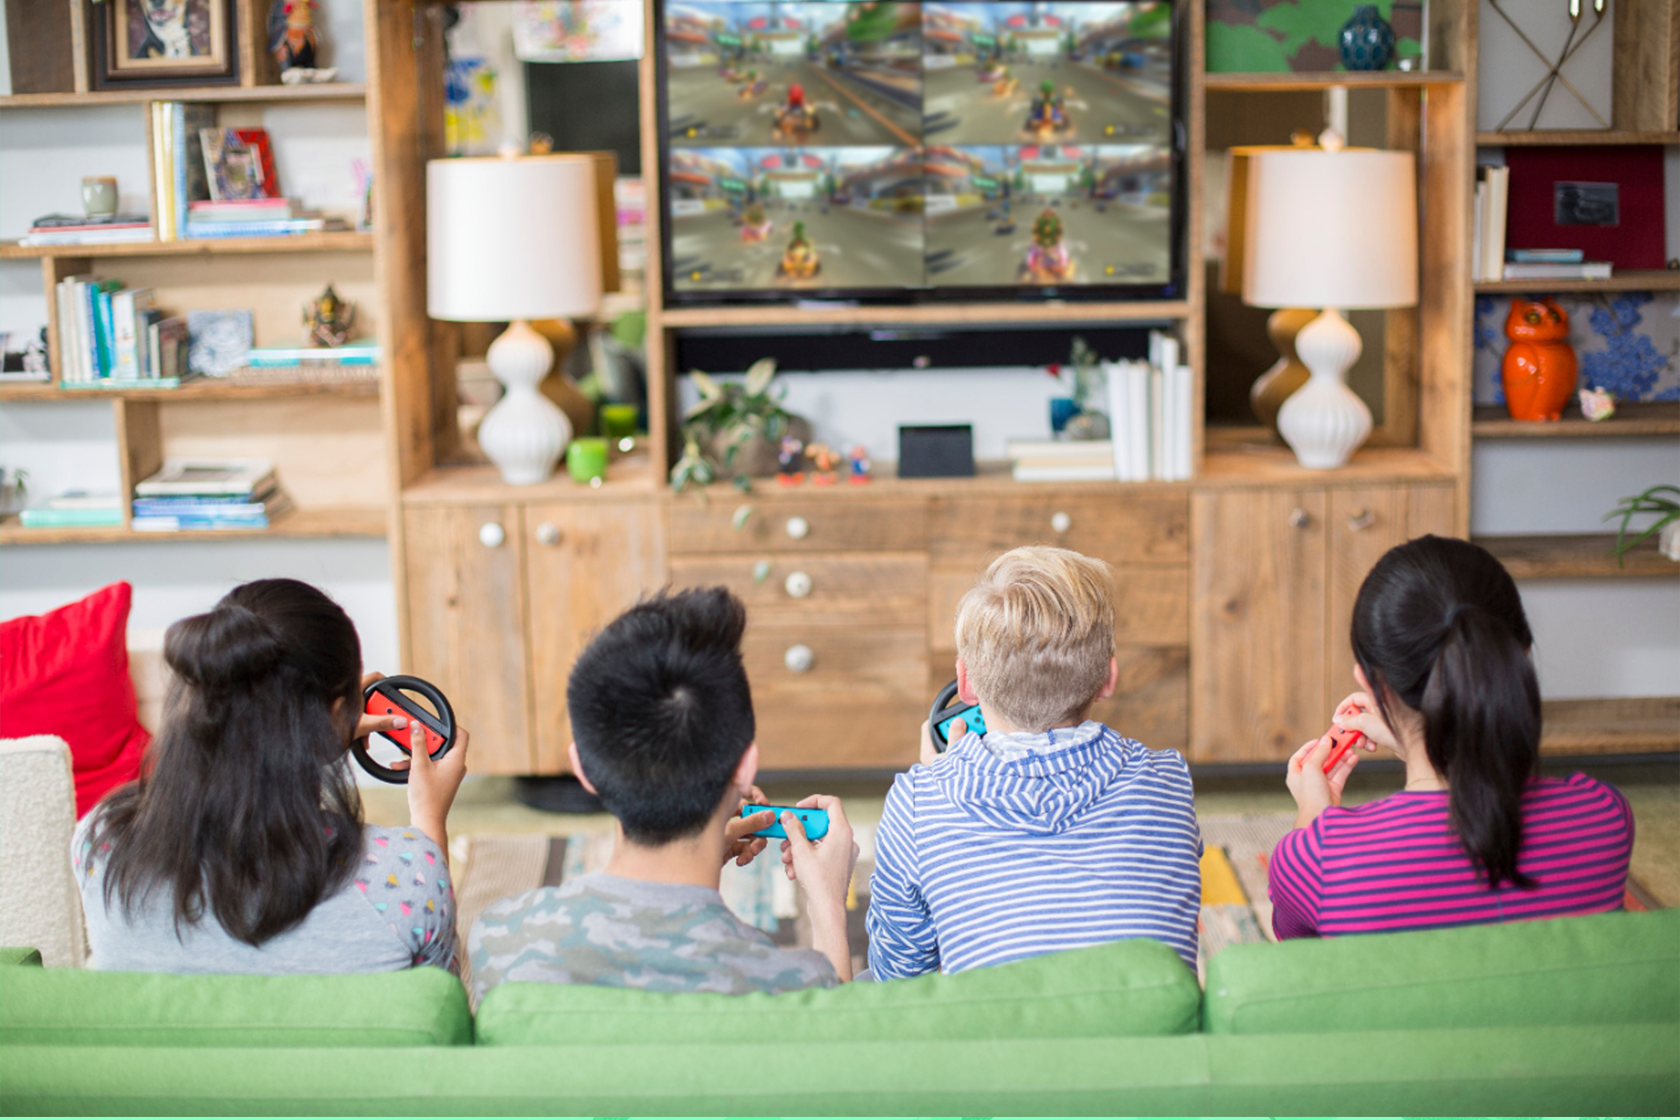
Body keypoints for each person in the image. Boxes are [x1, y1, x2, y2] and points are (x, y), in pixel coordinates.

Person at [468, 587, 857, 1002]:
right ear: (745, 766)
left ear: (582, 768)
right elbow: (840, 1038)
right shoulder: (795, 984)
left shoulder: (499, 941)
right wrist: (829, 908)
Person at [75, 578, 469, 974]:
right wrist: (428, 821)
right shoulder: (402, 872)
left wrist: (327, 724)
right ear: (336, 713)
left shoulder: (101, 841)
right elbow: (437, 996)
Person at [1269, 535, 1633, 939]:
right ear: (1521, 657)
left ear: (1370, 682)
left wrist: (1312, 820)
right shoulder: (1605, 816)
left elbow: (1300, 968)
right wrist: (1423, 746)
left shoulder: (1319, 859)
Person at [866, 546, 1202, 980]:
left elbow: (899, 975)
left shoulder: (917, 802)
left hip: (999, 1043)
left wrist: (936, 782)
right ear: (1108, 678)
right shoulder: (1168, 779)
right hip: (1149, 1037)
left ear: (965, 684)